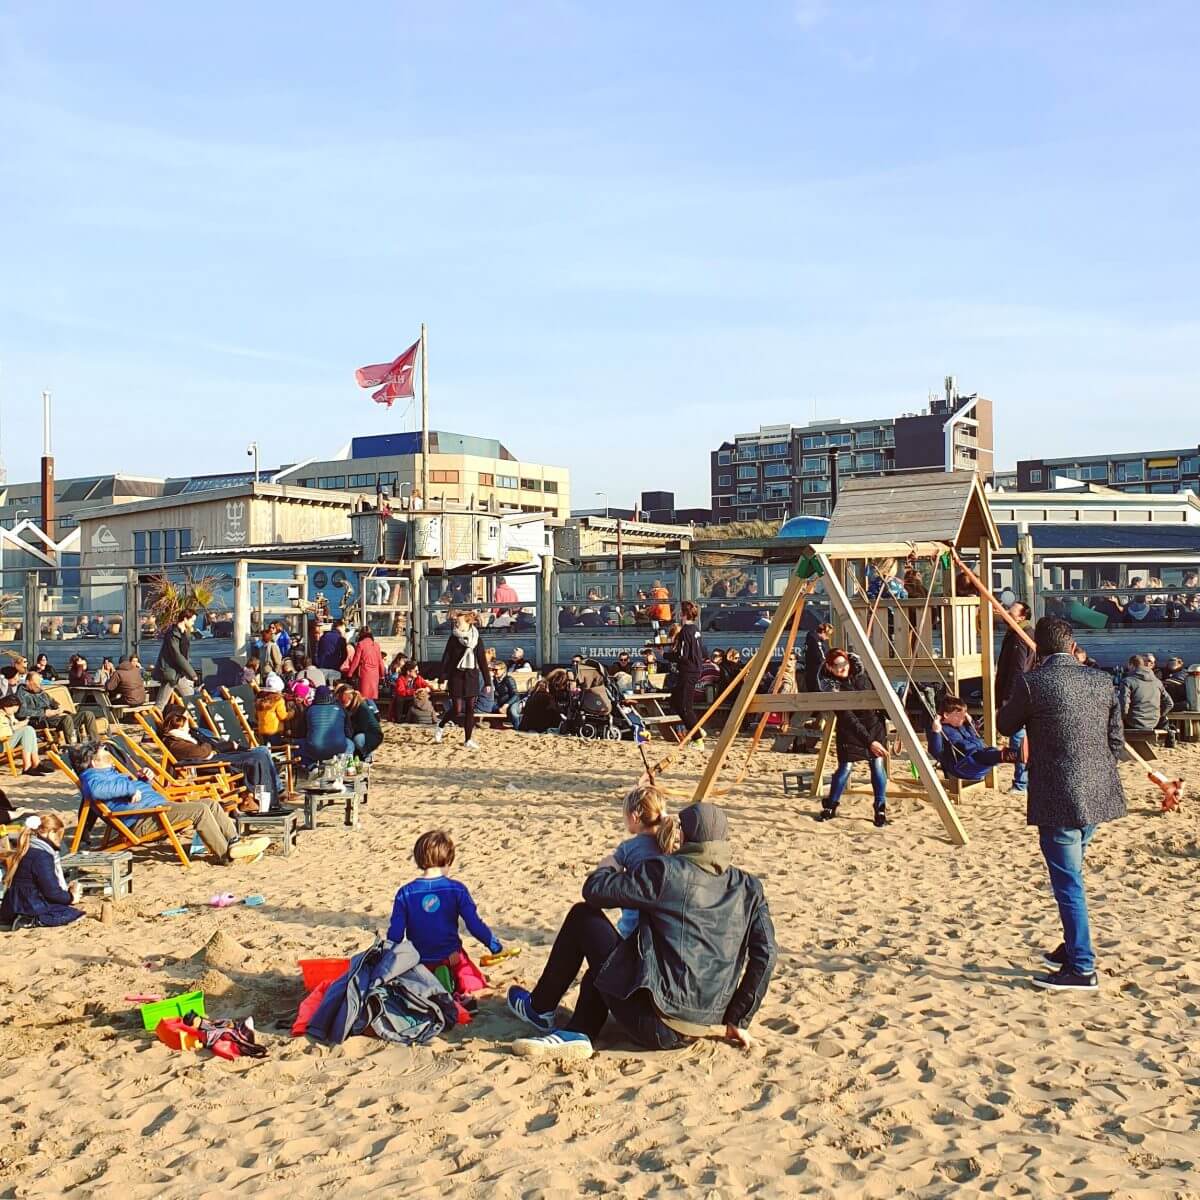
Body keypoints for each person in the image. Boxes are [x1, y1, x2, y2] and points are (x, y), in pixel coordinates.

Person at [506, 802, 776, 1062]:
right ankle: (580, 1030)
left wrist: (607, 866)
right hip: (706, 1023)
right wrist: (738, 1017)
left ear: (686, 836)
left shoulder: (669, 872)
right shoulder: (749, 887)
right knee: (614, 958)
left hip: (657, 1021)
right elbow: (766, 955)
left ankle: (539, 1008)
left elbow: (595, 892)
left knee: (582, 916)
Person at [997, 616, 1127, 992]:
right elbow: (1115, 741)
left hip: (1059, 795)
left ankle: (1082, 966)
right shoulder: (1102, 680)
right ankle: (1073, 946)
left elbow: (1005, 725)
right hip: (1098, 793)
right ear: (1072, 647)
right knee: (1073, 876)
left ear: (1039, 650)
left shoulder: (1033, 682)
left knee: (1069, 884)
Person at [76, 744, 268, 864]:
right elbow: (96, 792)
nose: (111, 760)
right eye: (106, 757)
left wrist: (143, 781)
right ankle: (224, 855)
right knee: (200, 810)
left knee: (210, 803)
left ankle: (235, 841)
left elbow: (127, 790)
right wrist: (130, 788)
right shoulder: (91, 777)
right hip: (144, 819)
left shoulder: (109, 775)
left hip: (157, 810)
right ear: (93, 762)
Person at [387, 830, 502, 994]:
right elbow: (474, 924)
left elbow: (396, 933)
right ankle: (453, 979)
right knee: (475, 983)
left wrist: (389, 957)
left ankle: (434, 980)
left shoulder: (405, 892)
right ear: (447, 860)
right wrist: (494, 946)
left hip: (419, 960)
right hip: (451, 957)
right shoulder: (456, 889)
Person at [159, 706, 287, 813]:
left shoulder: (187, 734)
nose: (189, 721)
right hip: (209, 765)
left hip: (215, 758)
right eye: (186, 719)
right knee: (257, 757)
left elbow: (208, 747)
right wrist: (210, 747)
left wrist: (211, 747)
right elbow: (201, 752)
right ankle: (264, 800)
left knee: (261, 751)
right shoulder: (174, 742)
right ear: (178, 721)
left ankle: (259, 798)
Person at [816, 650, 889, 827]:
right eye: (837, 666)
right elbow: (847, 717)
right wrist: (869, 742)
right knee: (845, 767)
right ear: (829, 667)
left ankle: (880, 808)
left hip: (873, 725)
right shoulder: (832, 688)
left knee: (877, 764)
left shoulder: (863, 674)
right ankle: (831, 805)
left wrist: (893, 713)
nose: (842, 668)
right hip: (851, 730)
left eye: (844, 664)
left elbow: (881, 695)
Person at [608, 784, 676, 938]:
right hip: (663, 930)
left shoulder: (628, 848)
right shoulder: (670, 844)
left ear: (634, 818)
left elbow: (612, 874)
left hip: (632, 929)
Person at [1, 813, 85, 929]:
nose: (59, 841)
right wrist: (70, 897)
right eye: (58, 836)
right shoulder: (42, 856)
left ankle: (18, 918)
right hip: (30, 904)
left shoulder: (27, 848)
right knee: (71, 913)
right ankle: (28, 920)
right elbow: (51, 891)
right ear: (51, 832)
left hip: (12, 905)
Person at [994, 600, 1035, 794]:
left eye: (1011, 612)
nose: (1007, 614)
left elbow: (1018, 669)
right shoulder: (1020, 633)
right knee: (1022, 738)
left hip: (1018, 692)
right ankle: (1023, 781)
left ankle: (1021, 783)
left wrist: (1009, 698)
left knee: (1018, 739)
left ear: (1021, 617)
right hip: (1025, 691)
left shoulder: (1020, 636)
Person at [928, 696, 1014, 784]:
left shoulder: (963, 726)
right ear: (946, 715)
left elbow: (974, 738)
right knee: (981, 756)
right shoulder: (941, 730)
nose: (963, 718)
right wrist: (936, 732)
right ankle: (1009, 755)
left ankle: (1014, 755)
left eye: (964, 715)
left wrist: (970, 724)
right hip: (962, 765)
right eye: (960, 716)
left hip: (977, 758)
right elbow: (935, 752)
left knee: (990, 751)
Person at [435, 612, 487, 750]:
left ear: (468, 622)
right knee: (457, 709)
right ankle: (441, 724)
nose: (456, 624)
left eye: (459, 622)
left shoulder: (477, 639)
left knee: (470, 709)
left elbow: (482, 661)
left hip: (471, 676)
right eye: (455, 622)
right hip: (456, 676)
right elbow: (446, 658)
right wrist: (442, 678)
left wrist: (488, 682)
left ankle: (468, 739)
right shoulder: (453, 638)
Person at [16, 672, 98, 745]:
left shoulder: (40, 691)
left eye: (39, 683)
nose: (39, 685)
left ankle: (95, 743)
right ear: (28, 682)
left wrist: (58, 708)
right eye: (36, 683)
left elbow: (53, 702)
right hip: (41, 720)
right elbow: (21, 712)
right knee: (67, 718)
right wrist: (43, 712)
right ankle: (73, 747)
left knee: (88, 714)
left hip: (55, 717)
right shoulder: (22, 694)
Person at [663, 601, 704, 740]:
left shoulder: (685, 631)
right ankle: (695, 728)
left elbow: (682, 655)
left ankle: (697, 737)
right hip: (694, 669)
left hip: (689, 671)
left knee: (685, 706)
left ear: (683, 614)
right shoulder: (696, 629)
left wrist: (664, 655)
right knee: (675, 700)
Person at [1118, 655, 1174, 738]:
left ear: (1131, 665)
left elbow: (1124, 704)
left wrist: (1121, 719)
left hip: (1132, 723)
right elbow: (1169, 703)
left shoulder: (1128, 681)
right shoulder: (1157, 682)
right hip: (1153, 723)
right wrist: (1159, 715)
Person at [299, 685, 355, 766]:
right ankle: (343, 765)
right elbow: (349, 732)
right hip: (339, 748)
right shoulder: (341, 708)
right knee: (350, 744)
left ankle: (311, 766)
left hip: (315, 749)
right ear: (330, 695)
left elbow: (301, 733)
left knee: (298, 745)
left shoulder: (308, 710)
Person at [153, 610, 200, 706]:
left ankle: (188, 719)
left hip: (178, 674)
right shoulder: (172, 634)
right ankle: (152, 720)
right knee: (160, 704)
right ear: (185, 619)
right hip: (171, 674)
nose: (193, 623)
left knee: (191, 700)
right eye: (192, 620)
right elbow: (177, 655)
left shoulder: (183, 633)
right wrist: (192, 673)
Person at [0, 695, 51, 775]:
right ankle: (29, 766)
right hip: (2, 744)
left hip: (6, 742)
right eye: (13, 711)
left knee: (29, 729)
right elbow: (3, 732)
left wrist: (22, 722)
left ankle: (34, 763)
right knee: (27, 729)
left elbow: (14, 724)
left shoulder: (7, 714)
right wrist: (16, 727)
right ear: (7, 706)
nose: (14, 713)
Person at [519, 669, 570, 734]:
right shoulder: (546, 696)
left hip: (527, 725)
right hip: (540, 726)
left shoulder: (540, 689)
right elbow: (555, 711)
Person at [342, 688, 383, 761]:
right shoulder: (352, 707)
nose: (342, 703)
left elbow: (361, 728)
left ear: (350, 699)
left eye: (343, 701)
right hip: (363, 733)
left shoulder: (362, 708)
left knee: (357, 739)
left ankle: (368, 754)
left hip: (372, 735)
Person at [345, 629, 384, 702]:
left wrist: (350, 674)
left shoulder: (361, 644)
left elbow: (356, 661)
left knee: (364, 697)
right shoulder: (376, 645)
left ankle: (373, 711)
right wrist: (382, 675)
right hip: (375, 674)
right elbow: (380, 661)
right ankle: (373, 711)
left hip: (365, 673)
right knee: (372, 697)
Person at [255, 675, 292, 745]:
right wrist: (291, 713)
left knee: (267, 747)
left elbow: (256, 716)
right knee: (277, 747)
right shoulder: (278, 700)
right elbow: (283, 716)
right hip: (274, 730)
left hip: (262, 729)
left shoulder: (259, 699)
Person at [489, 660, 521, 728]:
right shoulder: (494, 679)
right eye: (493, 670)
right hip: (499, 702)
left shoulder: (508, 679)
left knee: (513, 712)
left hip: (511, 702)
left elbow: (515, 695)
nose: (494, 671)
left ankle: (518, 727)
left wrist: (505, 705)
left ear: (503, 670)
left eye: (496, 670)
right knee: (488, 707)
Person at [804, 623, 834, 692]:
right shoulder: (815, 640)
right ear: (823, 632)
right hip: (816, 671)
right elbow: (820, 656)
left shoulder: (812, 638)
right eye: (828, 635)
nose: (828, 638)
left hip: (811, 670)